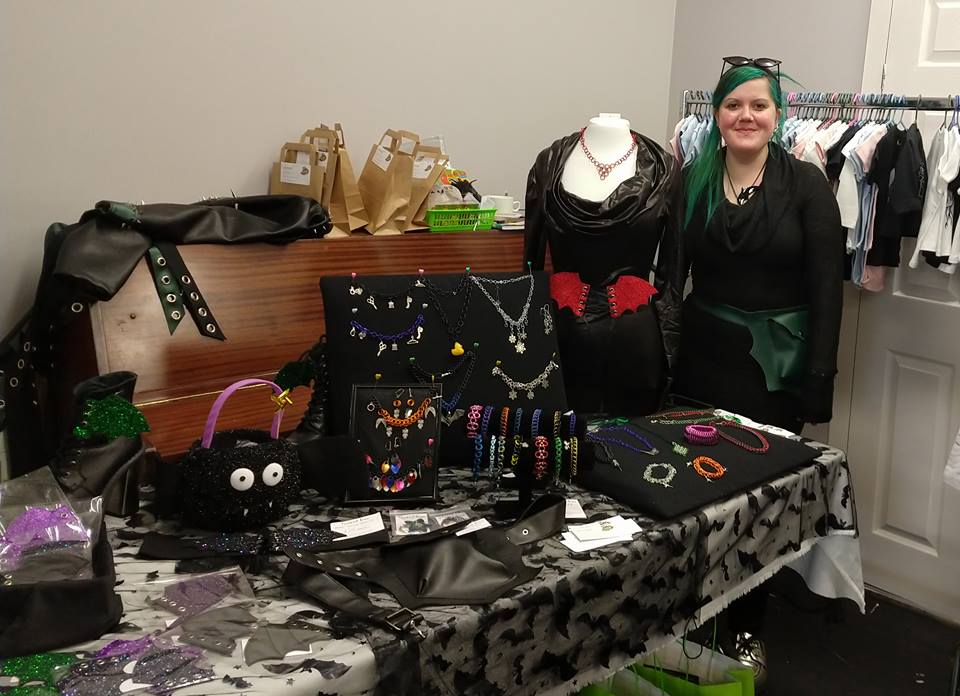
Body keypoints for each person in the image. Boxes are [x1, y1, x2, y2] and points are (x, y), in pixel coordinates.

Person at [674, 58, 845, 688]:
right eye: (733, 105)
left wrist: (819, 379)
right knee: (694, 495)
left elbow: (827, 290)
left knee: (760, 504)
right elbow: (671, 278)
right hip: (700, 364)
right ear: (716, 115)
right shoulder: (691, 179)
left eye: (758, 105)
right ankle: (690, 618)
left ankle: (747, 625)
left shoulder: (808, 185)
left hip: (773, 372)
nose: (745, 116)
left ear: (777, 115)